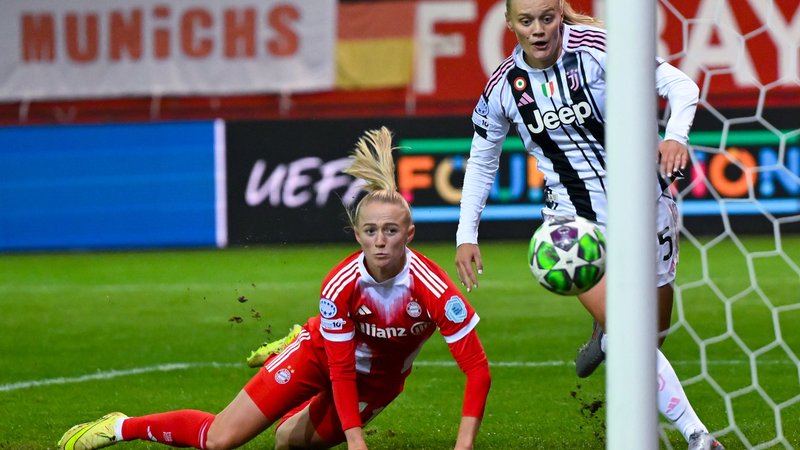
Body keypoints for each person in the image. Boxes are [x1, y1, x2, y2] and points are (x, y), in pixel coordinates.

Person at [59, 127, 492, 450]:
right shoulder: (340, 285)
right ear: (357, 235)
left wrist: (463, 445)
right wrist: (357, 442)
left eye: (391, 231)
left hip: (375, 384)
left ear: (409, 234)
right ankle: (120, 426)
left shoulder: (433, 289)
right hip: (320, 354)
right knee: (220, 439)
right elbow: (339, 369)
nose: (381, 241)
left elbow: (477, 370)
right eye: (371, 231)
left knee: (287, 441)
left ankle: (291, 380)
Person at [453, 0, 724, 449]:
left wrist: (676, 135)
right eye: (526, 21)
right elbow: (482, 161)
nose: (538, 30)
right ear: (509, 23)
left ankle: (605, 334)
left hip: (645, 205)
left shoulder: (598, 49)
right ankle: (697, 436)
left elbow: (681, 86)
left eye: (546, 18)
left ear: (561, 14)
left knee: (652, 335)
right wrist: (467, 235)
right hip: (572, 222)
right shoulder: (503, 87)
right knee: (632, 334)